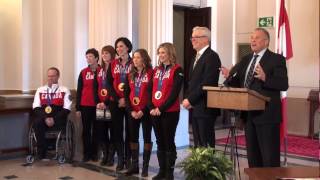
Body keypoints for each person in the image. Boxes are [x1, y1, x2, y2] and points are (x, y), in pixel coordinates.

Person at [220, 27, 288, 167]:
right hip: (249, 116)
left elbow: (283, 84)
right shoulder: (246, 59)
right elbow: (240, 83)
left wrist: (265, 77)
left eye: (257, 37)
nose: (253, 40)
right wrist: (229, 76)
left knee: (269, 159)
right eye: (251, 37)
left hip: (267, 116)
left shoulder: (276, 59)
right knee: (253, 158)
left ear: (266, 41)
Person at [182, 26, 221, 147]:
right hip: (195, 107)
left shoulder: (212, 56)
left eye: (196, 37)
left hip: (205, 107)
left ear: (206, 39)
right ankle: (198, 166)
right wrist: (187, 98)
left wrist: (190, 99)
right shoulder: (195, 57)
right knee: (198, 143)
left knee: (206, 144)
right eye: (192, 38)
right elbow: (192, 82)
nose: (193, 40)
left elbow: (207, 83)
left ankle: (207, 167)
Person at [149, 42, 183, 180]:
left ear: (170, 53)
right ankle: (161, 170)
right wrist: (152, 108)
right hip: (155, 112)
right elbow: (150, 90)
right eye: (159, 52)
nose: (161, 55)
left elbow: (174, 94)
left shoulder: (177, 69)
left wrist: (160, 109)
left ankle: (169, 172)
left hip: (170, 112)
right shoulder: (156, 70)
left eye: (164, 52)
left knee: (168, 140)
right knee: (159, 141)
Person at [124, 49, 153, 177]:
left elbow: (152, 95)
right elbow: (126, 95)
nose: (135, 60)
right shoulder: (130, 74)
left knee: (147, 137)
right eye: (134, 57)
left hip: (146, 112)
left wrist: (143, 110)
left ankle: (145, 167)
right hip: (132, 112)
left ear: (144, 59)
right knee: (133, 138)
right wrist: (131, 111)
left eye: (138, 57)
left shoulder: (152, 73)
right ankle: (134, 165)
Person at [32, 67, 72, 159]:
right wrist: (46, 118)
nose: (50, 78)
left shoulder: (64, 90)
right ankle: (41, 151)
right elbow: (36, 107)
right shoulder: (40, 90)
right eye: (49, 76)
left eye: (53, 76)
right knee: (37, 122)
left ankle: (52, 146)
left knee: (60, 122)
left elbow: (67, 108)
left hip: (58, 119)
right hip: (43, 118)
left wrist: (54, 119)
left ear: (58, 77)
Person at [107, 37, 133, 171]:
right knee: (117, 131)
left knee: (129, 131)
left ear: (128, 47)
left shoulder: (135, 62)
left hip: (131, 102)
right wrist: (118, 99)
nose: (118, 49)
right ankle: (120, 159)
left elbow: (137, 84)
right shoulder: (112, 64)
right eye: (117, 47)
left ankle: (128, 159)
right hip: (115, 102)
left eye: (121, 46)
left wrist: (126, 100)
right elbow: (108, 83)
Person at [76, 48, 102, 162]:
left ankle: (95, 153)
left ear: (96, 58)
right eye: (87, 57)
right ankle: (87, 154)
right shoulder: (83, 72)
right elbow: (79, 90)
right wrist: (78, 108)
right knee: (86, 130)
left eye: (90, 56)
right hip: (85, 105)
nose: (88, 59)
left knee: (98, 130)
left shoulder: (103, 70)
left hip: (99, 106)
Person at [96, 45, 116, 166]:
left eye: (107, 53)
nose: (104, 56)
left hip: (110, 104)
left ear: (112, 55)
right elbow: (96, 87)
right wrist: (98, 102)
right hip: (100, 105)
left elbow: (113, 87)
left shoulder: (114, 68)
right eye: (103, 53)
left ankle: (111, 157)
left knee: (112, 130)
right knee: (102, 130)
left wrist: (106, 102)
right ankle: (105, 154)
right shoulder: (100, 69)